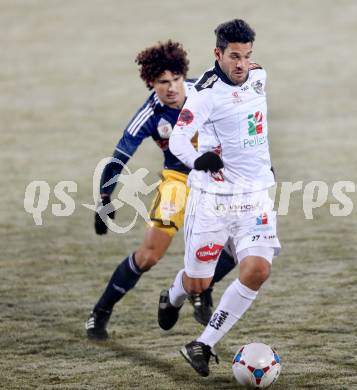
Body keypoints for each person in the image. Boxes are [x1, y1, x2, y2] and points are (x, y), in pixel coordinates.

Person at [85, 40, 237, 340]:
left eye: (176, 79)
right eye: (162, 82)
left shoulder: (205, 92)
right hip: (177, 183)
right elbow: (119, 157)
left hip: (216, 181)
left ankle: (199, 290)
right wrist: (105, 198)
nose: (171, 88)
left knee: (235, 249)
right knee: (149, 256)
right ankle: (100, 312)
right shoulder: (150, 113)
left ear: (183, 76)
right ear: (151, 83)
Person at [157, 20, 281, 377]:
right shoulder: (204, 94)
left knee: (258, 270)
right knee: (199, 282)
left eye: (246, 55)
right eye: (234, 56)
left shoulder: (259, 76)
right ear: (218, 54)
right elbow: (180, 139)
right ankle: (173, 294)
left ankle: (203, 344)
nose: (241, 63)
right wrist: (199, 159)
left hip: (255, 197)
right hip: (213, 199)